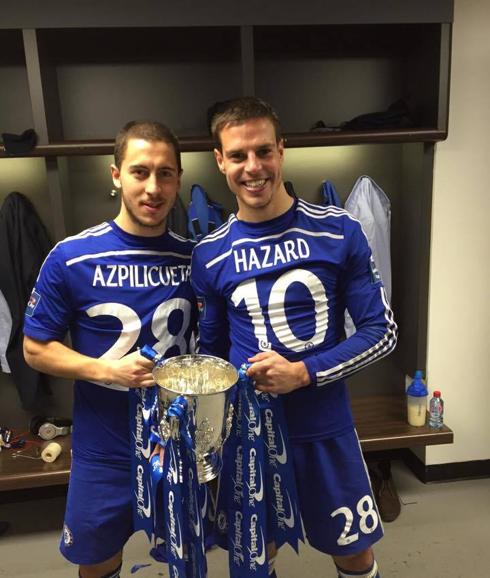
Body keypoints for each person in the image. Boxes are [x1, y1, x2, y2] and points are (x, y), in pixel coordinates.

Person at [190, 97, 397, 578]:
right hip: (250, 436)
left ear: (282, 150)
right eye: (238, 155)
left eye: (264, 151)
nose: (253, 167)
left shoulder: (339, 231)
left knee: (355, 553)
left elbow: (380, 332)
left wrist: (305, 372)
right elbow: (212, 356)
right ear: (220, 160)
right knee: (257, 557)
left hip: (325, 428)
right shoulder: (210, 254)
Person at [23, 121, 196, 578]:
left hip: (177, 443)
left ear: (179, 179)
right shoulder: (70, 257)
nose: (153, 187)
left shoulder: (195, 258)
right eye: (140, 172)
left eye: (165, 174)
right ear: (116, 174)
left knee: (186, 558)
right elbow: (35, 350)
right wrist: (105, 371)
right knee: (97, 563)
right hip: (104, 448)